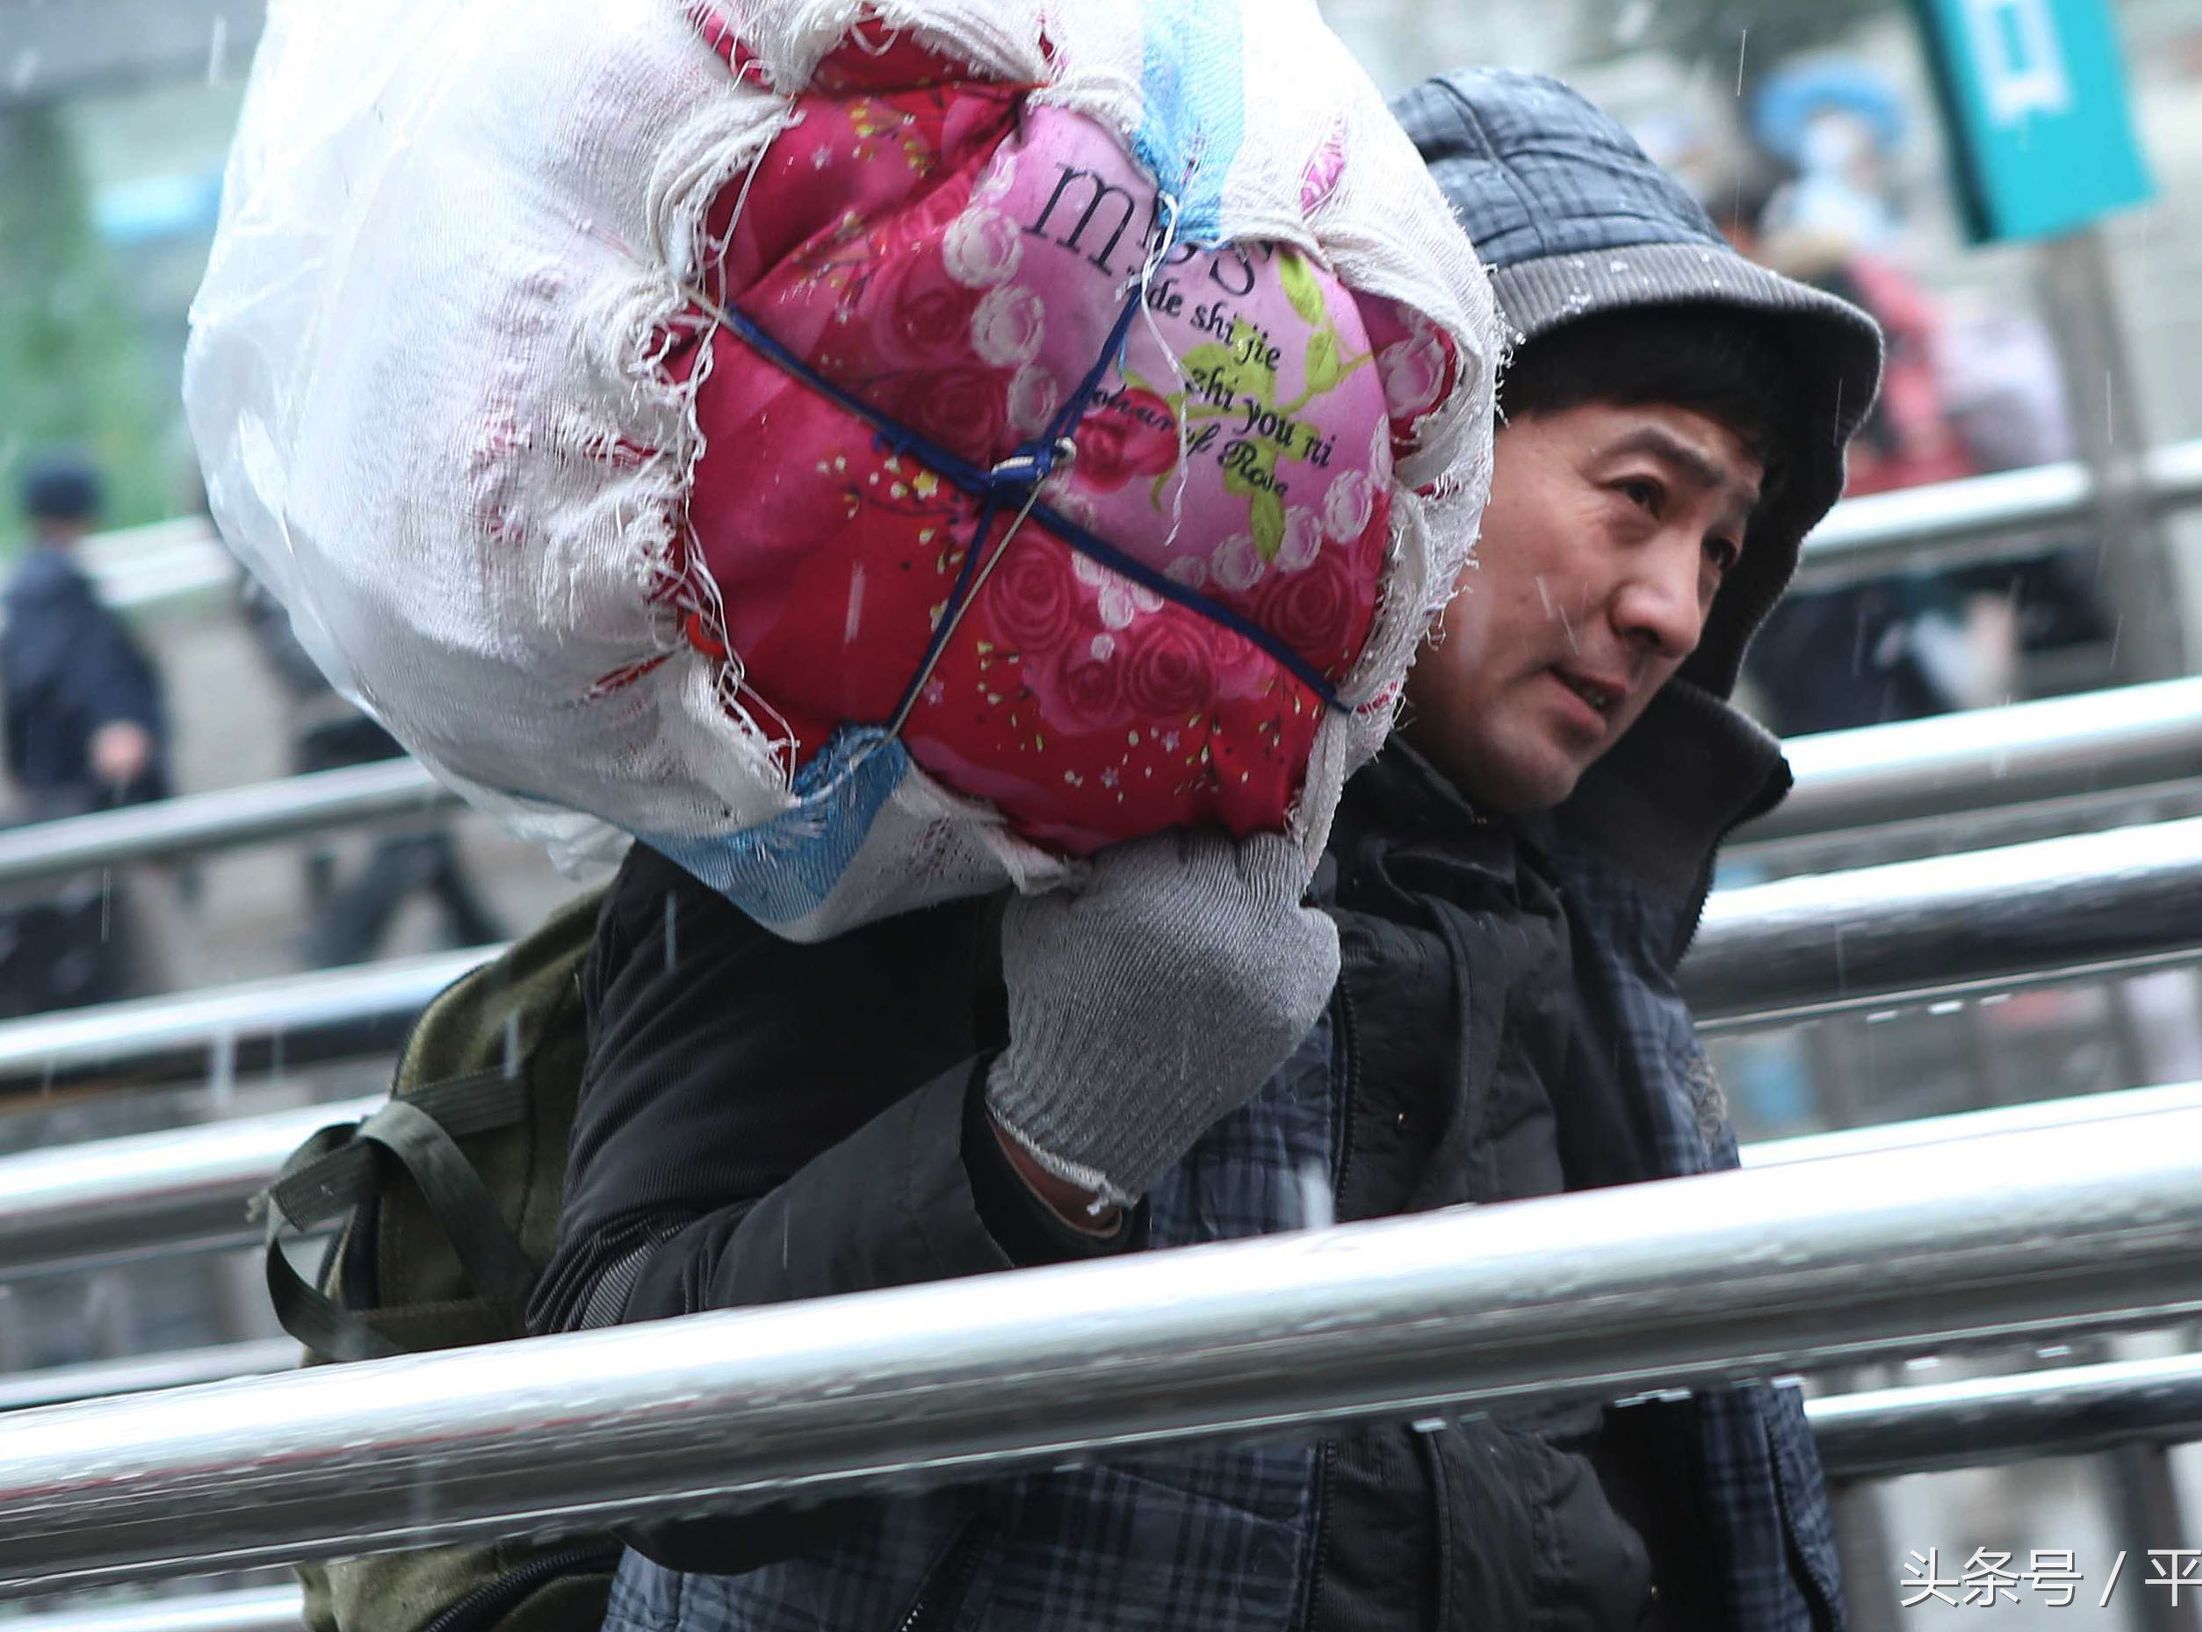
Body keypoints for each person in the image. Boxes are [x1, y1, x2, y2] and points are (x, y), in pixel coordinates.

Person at [531, 68, 1882, 1632]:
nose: (1674, 609)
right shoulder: (940, 782)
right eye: (1637, 498)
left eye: (1722, 547)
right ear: (1407, 449)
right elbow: (622, 1434)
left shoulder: (1565, 907)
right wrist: (1039, 1150)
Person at [235, 570, 506, 967]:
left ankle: (472, 936)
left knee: (420, 840)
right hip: (336, 729)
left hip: (381, 721)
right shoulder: (273, 562)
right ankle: (335, 956)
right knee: (411, 844)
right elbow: (299, 656)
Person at [4, 455, 170, 818]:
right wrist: (111, 720)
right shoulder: (53, 588)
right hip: (87, 769)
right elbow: (82, 667)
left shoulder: (40, 583)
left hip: (67, 767)